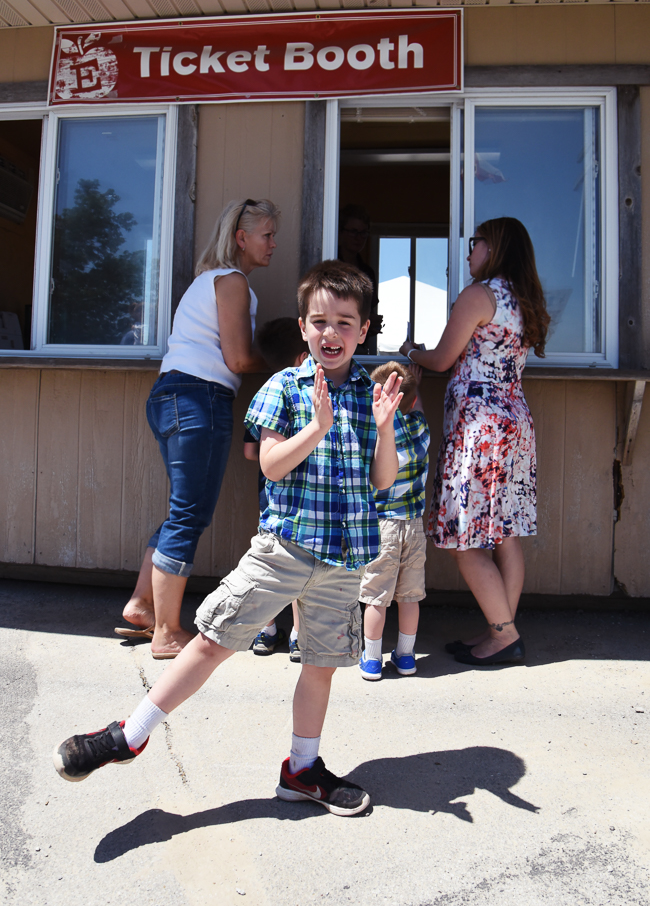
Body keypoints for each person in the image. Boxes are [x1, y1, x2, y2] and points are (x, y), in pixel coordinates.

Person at [54, 261, 403, 817]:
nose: (330, 333)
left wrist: (384, 427)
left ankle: (302, 770)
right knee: (214, 639)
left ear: (364, 331)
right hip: (283, 549)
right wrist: (316, 427)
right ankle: (132, 733)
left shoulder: (371, 397)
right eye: (319, 321)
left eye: (344, 322)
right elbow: (269, 465)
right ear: (303, 326)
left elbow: (383, 480)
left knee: (320, 666)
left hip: (343, 559)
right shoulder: (284, 387)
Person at [114, 198, 279, 660]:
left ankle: (143, 605)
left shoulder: (207, 282)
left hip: (171, 396)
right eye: (267, 235)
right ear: (241, 238)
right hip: (198, 399)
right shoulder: (232, 282)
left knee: (179, 511)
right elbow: (238, 360)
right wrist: (288, 363)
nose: (273, 245)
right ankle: (167, 633)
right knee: (189, 515)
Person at [400, 217, 550, 667]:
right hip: (514, 425)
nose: (468, 253)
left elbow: (443, 357)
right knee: (504, 534)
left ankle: (504, 636)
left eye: (475, 244)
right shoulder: (523, 301)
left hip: (480, 429)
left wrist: (410, 351)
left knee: (466, 540)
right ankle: (500, 628)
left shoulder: (479, 295)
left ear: (495, 247)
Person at [358, 361, 430, 680]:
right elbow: (415, 405)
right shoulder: (420, 427)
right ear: (412, 401)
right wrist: (416, 386)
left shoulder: (373, 435)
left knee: (376, 598)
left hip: (382, 526)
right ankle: (405, 656)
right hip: (414, 527)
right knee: (409, 596)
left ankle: (372, 659)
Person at [243, 317, 309, 661]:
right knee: (298, 564)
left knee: (270, 565)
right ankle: (299, 636)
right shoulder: (305, 396)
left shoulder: (263, 393)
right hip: (302, 500)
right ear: (302, 358)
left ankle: (265, 632)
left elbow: (250, 452)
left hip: (268, 499)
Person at [337, 204, 382, 351]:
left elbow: (370, 308)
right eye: (353, 231)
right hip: (334, 341)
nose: (359, 238)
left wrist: (371, 323)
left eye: (363, 233)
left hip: (360, 347)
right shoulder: (330, 265)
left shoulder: (367, 272)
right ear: (340, 232)